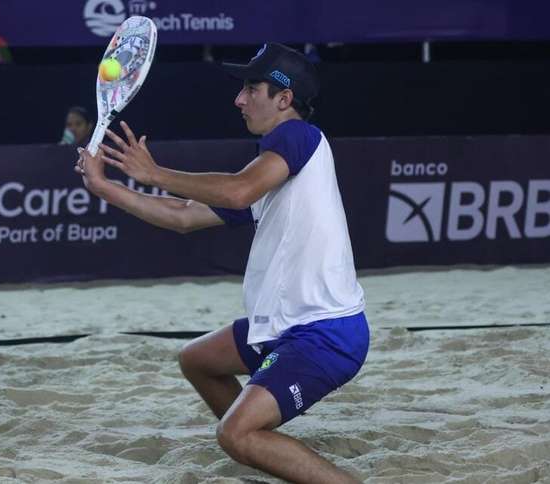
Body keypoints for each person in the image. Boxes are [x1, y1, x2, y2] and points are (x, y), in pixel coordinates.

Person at [76, 43, 368, 483]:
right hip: (284, 324)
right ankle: (260, 444)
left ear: (284, 100)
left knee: (234, 433)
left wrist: (154, 173)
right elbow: (183, 216)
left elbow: (236, 191)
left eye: (252, 88)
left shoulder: (297, 137)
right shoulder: (270, 167)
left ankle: (253, 437)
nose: (239, 99)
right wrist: (105, 189)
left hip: (323, 332)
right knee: (197, 360)